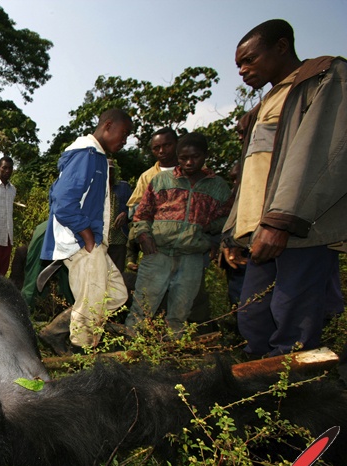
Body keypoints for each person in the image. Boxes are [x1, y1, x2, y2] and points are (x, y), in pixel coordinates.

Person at [222, 19, 347, 357]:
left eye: (250, 59)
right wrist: (232, 234)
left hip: (298, 227)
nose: (243, 70)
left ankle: (294, 384)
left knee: (293, 320)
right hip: (261, 229)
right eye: (239, 65)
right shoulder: (263, 106)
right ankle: (262, 380)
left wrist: (282, 220)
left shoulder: (324, 77)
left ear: (281, 46)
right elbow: (252, 174)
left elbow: (320, 154)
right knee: (253, 317)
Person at [39, 109, 131, 352]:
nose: (125, 140)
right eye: (124, 133)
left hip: (91, 242)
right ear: (108, 125)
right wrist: (87, 236)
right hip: (80, 242)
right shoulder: (86, 155)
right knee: (92, 306)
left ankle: (55, 332)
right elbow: (63, 201)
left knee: (116, 295)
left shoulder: (97, 156)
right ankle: (83, 358)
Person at [123, 133, 231, 336]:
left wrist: (207, 229)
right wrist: (144, 236)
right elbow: (141, 214)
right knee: (143, 306)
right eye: (184, 158)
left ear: (205, 155)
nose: (189, 162)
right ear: (177, 157)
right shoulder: (162, 180)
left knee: (181, 310)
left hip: (192, 256)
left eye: (195, 157)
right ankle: (131, 344)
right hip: (158, 253)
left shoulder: (218, 187)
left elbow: (227, 217)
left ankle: (173, 347)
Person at [125, 128, 179, 272]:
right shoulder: (147, 177)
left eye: (167, 145)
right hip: (156, 243)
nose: (162, 151)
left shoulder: (192, 171)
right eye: (156, 148)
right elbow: (134, 207)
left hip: (187, 245)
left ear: (176, 144)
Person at [106, 160, 132, 275]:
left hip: (119, 236)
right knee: (100, 273)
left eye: (111, 170)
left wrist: (125, 213)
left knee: (117, 273)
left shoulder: (123, 187)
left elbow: (134, 207)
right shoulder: (95, 188)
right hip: (100, 238)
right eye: (106, 170)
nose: (108, 173)